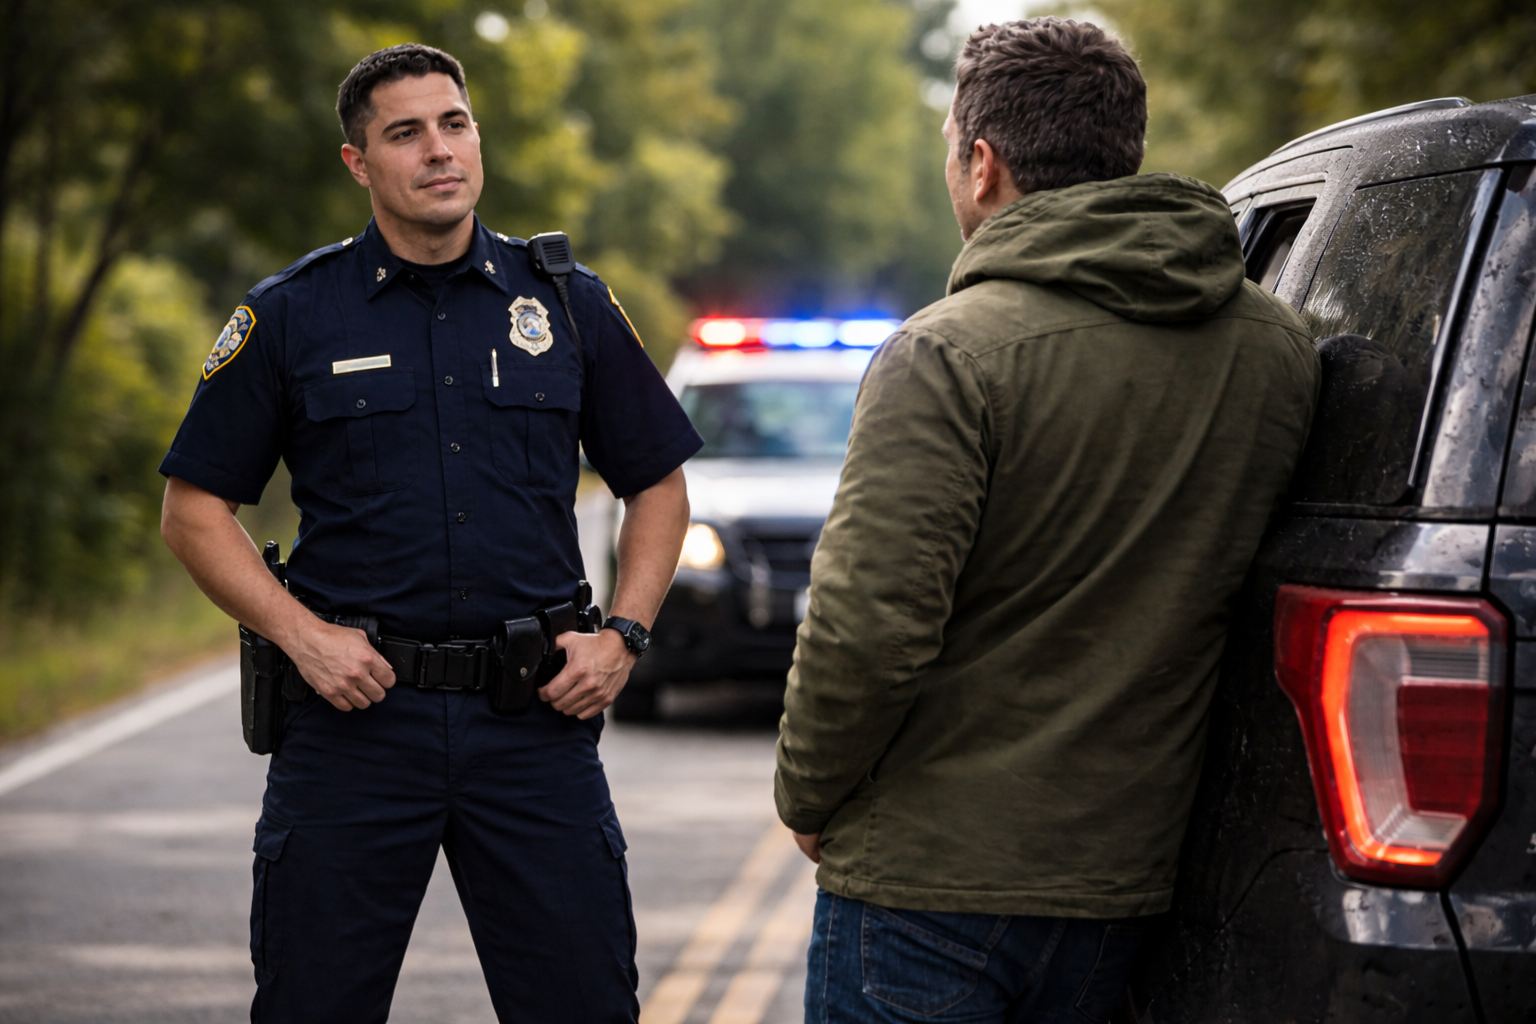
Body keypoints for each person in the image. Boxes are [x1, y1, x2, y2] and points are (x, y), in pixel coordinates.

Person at [774, 18, 1320, 1023]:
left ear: (982, 165)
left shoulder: (946, 353)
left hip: (928, 883)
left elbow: (867, 627)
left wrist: (807, 796)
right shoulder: (1279, 350)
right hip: (1127, 886)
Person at [158, 43, 700, 1024]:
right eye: (405, 133)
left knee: (584, 1005)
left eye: (454, 124)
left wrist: (624, 634)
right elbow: (193, 510)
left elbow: (657, 484)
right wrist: (302, 635)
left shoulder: (566, 305)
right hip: (354, 728)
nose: (438, 149)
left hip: (535, 725)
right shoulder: (290, 315)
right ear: (358, 163)